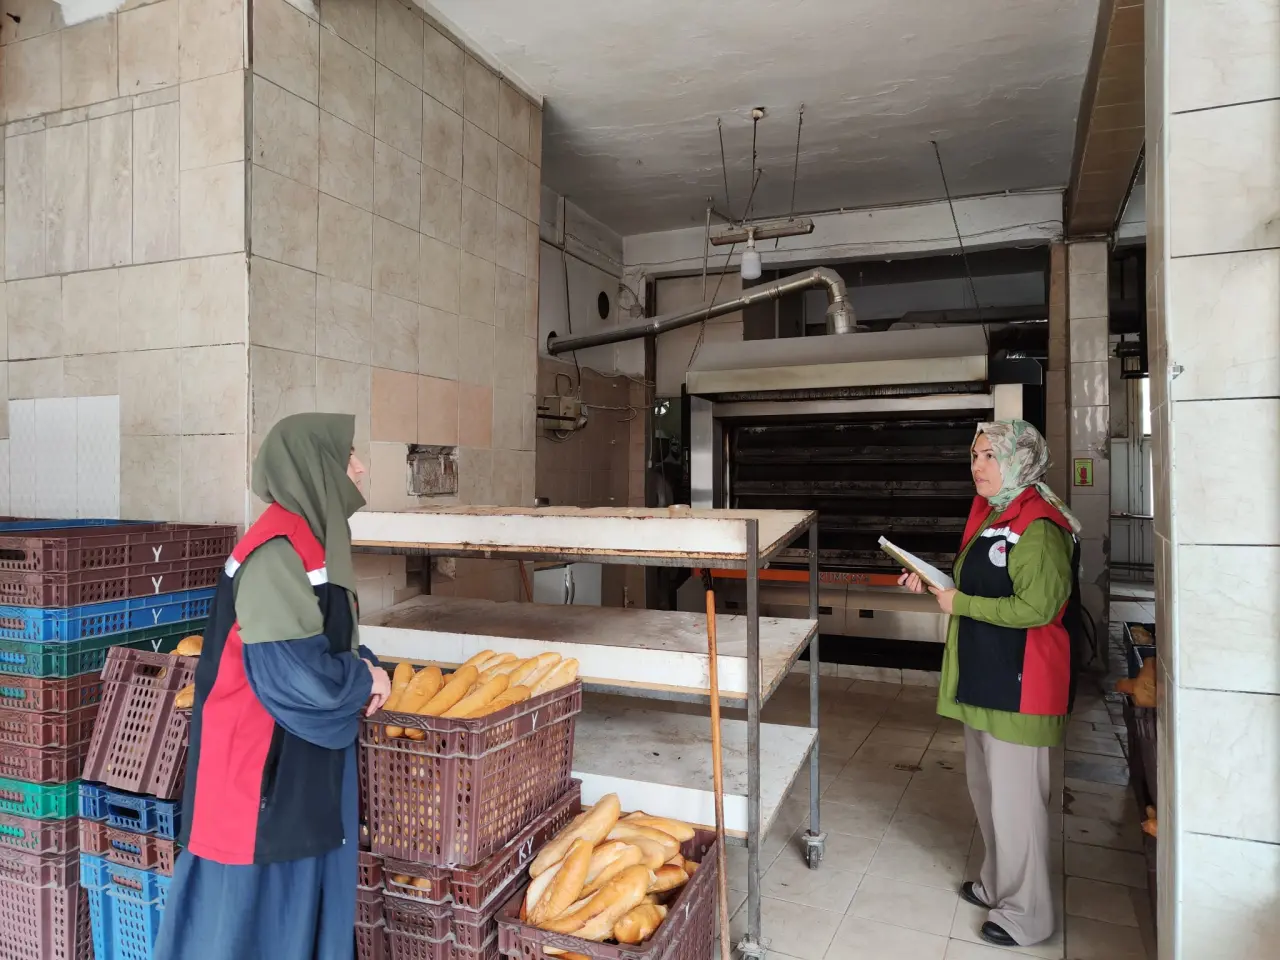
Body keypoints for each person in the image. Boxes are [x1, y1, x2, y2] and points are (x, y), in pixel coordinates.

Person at [156, 413, 392, 960]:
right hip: (259, 780)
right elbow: (296, 676)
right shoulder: (277, 551)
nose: (359, 467)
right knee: (254, 931)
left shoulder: (308, 540)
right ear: (313, 465)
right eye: (347, 455)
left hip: (289, 774)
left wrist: (362, 662)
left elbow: (316, 638)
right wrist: (362, 679)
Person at [899, 419, 1081, 949]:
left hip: (1022, 684)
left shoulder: (1040, 525)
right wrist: (934, 584)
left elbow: (1039, 607)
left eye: (989, 456)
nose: (977, 466)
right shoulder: (994, 512)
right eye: (974, 455)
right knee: (990, 794)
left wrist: (960, 603)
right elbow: (977, 584)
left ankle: (1028, 915)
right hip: (985, 676)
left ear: (1019, 461)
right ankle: (999, 884)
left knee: (1017, 803)